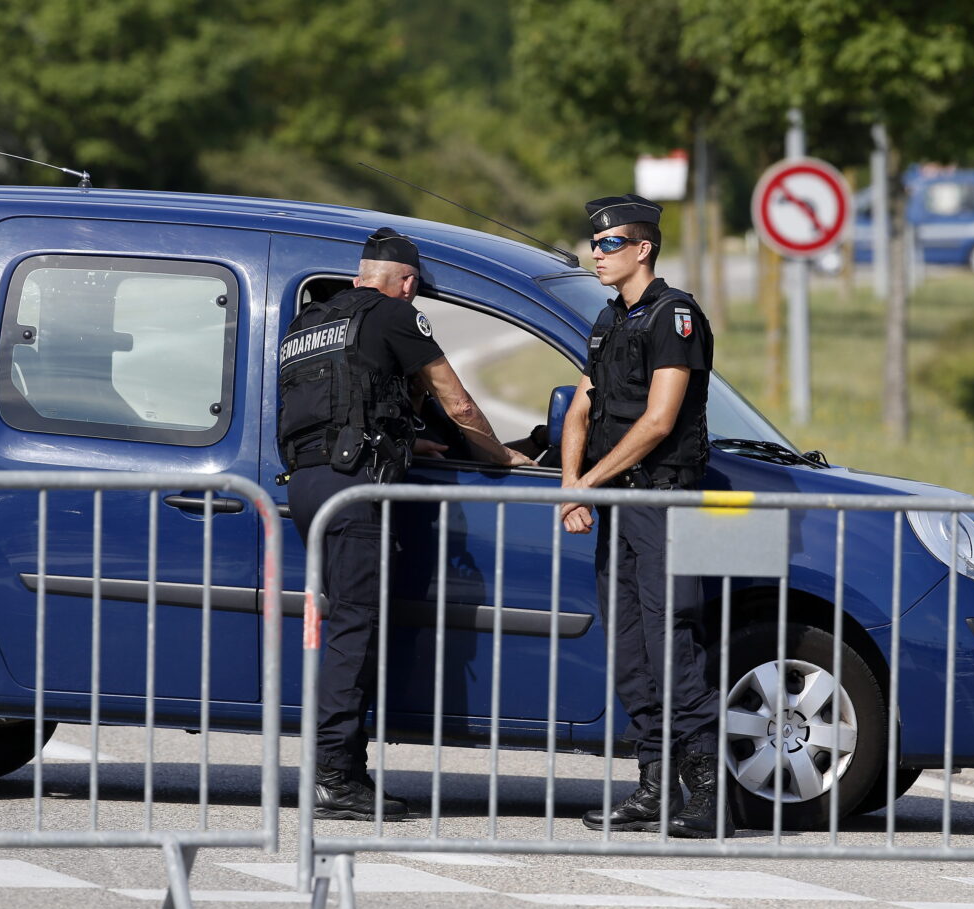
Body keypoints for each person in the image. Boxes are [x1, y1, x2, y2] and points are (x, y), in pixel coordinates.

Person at [278, 227, 531, 821]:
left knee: (345, 627)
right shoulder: (393, 316)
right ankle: (334, 778)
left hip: (309, 484)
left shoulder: (309, 323)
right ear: (407, 284)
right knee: (354, 633)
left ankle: (340, 771)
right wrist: (501, 457)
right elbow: (459, 402)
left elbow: (344, 401)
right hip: (354, 487)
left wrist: (412, 434)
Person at [558, 194, 731, 839]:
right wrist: (575, 485)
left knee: (672, 644)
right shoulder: (609, 322)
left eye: (606, 245)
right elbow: (581, 409)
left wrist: (587, 487)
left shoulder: (674, 316)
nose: (594, 255)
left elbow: (660, 421)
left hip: (661, 500)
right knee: (630, 652)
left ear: (642, 249)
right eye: (593, 244)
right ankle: (654, 787)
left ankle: (709, 798)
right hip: (617, 504)